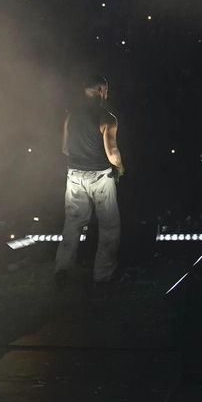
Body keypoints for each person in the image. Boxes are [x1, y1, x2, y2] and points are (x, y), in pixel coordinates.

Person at [54, 74, 124, 293]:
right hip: (100, 177)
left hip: (74, 175)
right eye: (106, 90)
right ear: (102, 90)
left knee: (72, 224)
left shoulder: (71, 115)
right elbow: (112, 153)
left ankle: (61, 270)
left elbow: (65, 148)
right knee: (109, 227)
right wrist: (120, 168)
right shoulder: (107, 118)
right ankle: (102, 277)